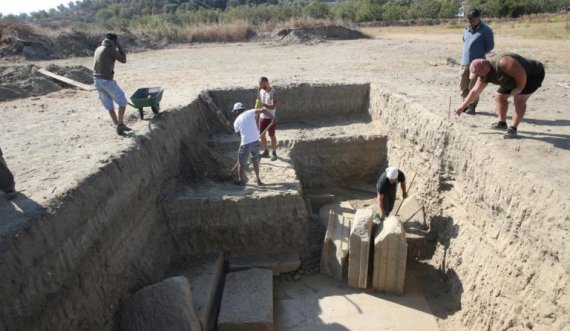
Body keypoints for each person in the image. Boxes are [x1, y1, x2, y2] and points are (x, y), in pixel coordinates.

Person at [455, 53, 546, 139]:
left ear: (484, 67)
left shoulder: (503, 62)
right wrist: (463, 106)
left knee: (519, 100)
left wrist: (519, 89)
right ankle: (502, 123)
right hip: (513, 78)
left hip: (533, 75)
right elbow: (475, 91)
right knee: (499, 96)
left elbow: (521, 74)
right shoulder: (484, 74)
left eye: (478, 73)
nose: (478, 76)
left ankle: (513, 129)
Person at [93, 33, 131, 135]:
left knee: (109, 105)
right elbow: (123, 60)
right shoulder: (110, 49)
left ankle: (118, 125)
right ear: (114, 41)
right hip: (106, 80)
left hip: (96, 80)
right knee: (123, 101)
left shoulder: (98, 49)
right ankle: (120, 124)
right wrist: (119, 46)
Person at [232, 102, 277, 186]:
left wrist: (246, 144)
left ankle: (241, 180)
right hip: (256, 141)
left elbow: (240, 136)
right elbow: (263, 110)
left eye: (235, 111)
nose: (235, 113)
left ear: (237, 111)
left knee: (241, 163)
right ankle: (258, 179)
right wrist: (272, 117)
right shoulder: (250, 112)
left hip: (245, 143)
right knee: (255, 162)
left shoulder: (236, 122)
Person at [460, 8, 494, 115]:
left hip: (477, 65)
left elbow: (490, 46)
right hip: (464, 63)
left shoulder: (486, 31)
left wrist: (478, 54)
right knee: (463, 86)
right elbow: (465, 42)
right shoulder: (466, 30)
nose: (471, 23)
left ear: (479, 18)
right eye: (469, 21)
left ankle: (472, 106)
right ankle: (464, 104)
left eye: (473, 20)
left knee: (473, 86)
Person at [257, 77, 279, 161]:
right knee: (262, 135)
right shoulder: (261, 90)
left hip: (271, 118)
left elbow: (273, 106)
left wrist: (262, 104)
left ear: (266, 82)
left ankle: (274, 152)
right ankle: (266, 151)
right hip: (262, 117)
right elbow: (259, 102)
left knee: (272, 135)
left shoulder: (273, 93)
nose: (260, 86)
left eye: (261, 84)